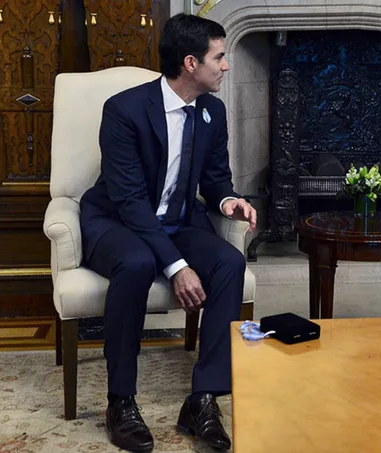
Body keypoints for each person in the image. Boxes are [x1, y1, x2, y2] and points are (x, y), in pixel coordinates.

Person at [79, 13, 256, 452]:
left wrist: (227, 201)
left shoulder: (212, 111)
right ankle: (121, 401)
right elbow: (130, 201)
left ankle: (203, 399)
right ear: (191, 63)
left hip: (176, 221)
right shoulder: (124, 110)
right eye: (220, 57)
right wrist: (177, 267)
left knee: (229, 262)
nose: (226, 65)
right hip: (116, 222)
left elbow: (215, 178)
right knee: (138, 262)